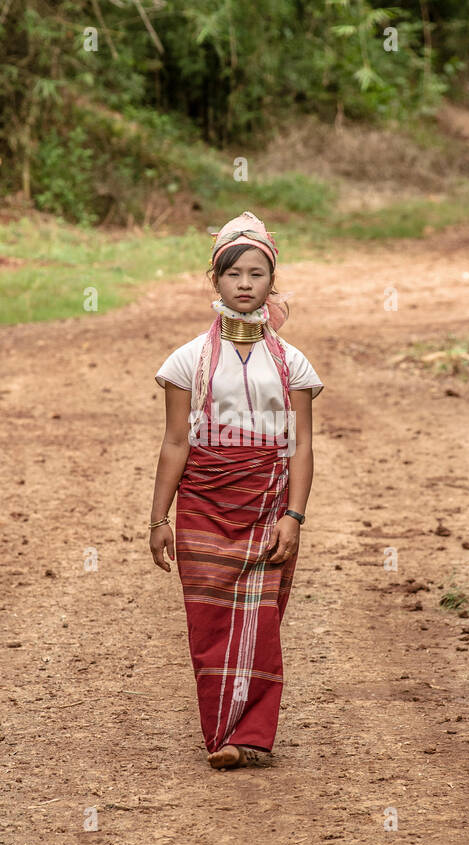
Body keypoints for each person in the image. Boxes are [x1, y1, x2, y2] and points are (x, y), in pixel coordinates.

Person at [148, 210, 324, 770]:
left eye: (256, 274)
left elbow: (299, 446)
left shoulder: (293, 364)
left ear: (272, 282)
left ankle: (250, 737)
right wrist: (159, 519)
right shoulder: (185, 362)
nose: (244, 284)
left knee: (260, 618)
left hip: (268, 503)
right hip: (202, 502)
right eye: (232, 274)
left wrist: (294, 516)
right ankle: (222, 732)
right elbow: (176, 442)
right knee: (209, 618)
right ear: (214, 281)